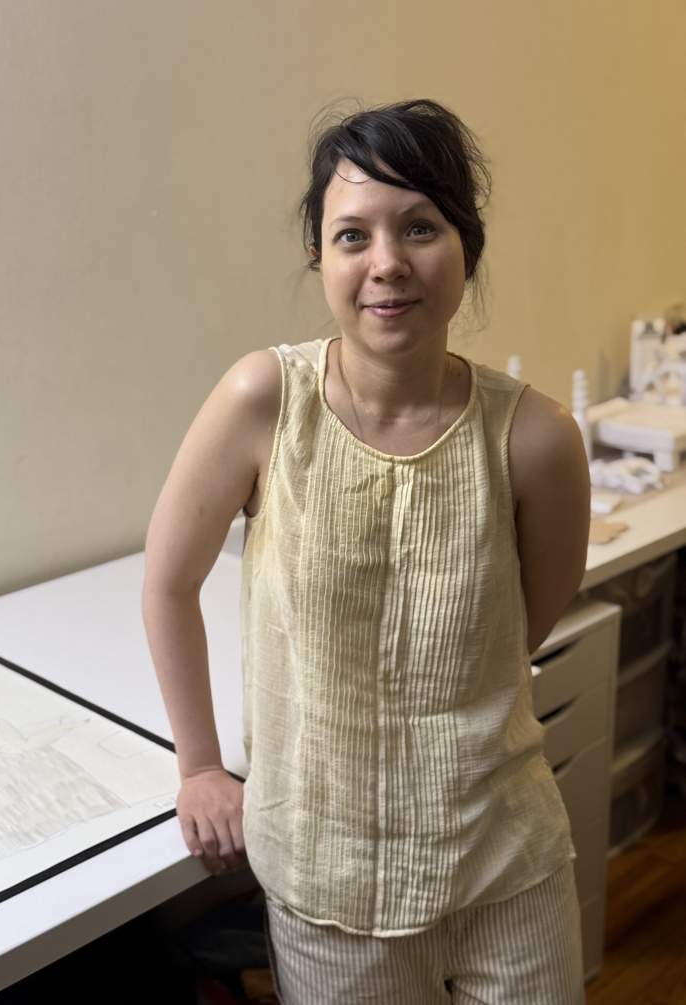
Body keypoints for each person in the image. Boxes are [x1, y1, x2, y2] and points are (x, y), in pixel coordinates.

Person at [142, 98, 590, 1004]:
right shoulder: (264, 400)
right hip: (327, 884)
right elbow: (167, 581)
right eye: (353, 235)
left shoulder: (536, 438)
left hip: (507, 868)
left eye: (419, 226)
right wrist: (198, 764)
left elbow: (516, 633)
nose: (387, 263)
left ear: (467, 244)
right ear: (321, 255)